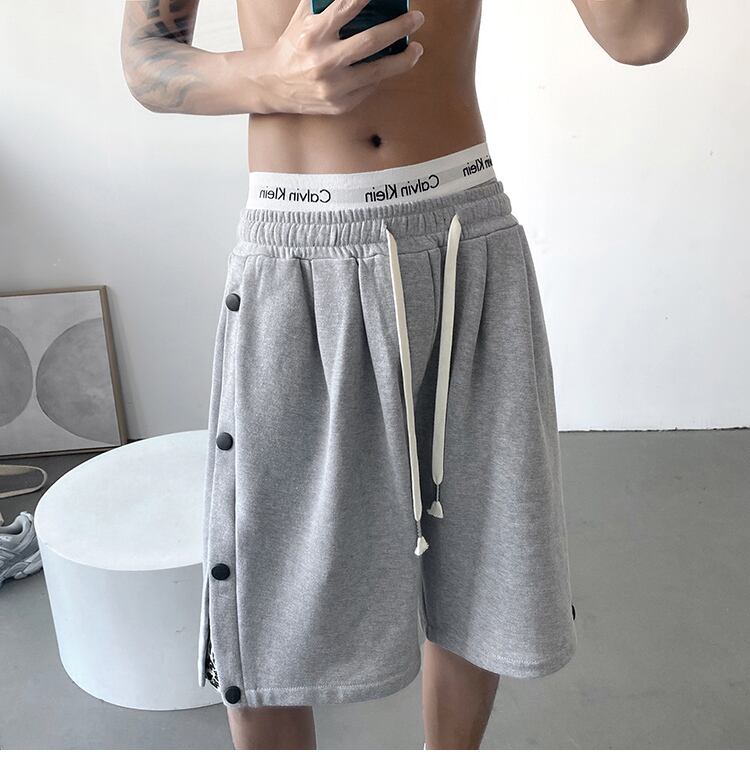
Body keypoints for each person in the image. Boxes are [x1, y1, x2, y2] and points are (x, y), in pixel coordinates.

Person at [120, 0, 689, 750]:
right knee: (271, 592)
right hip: (300, 248)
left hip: (463, 234)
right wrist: (271, 77)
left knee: (482, 556)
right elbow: (146, 60)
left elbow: (645, 35)